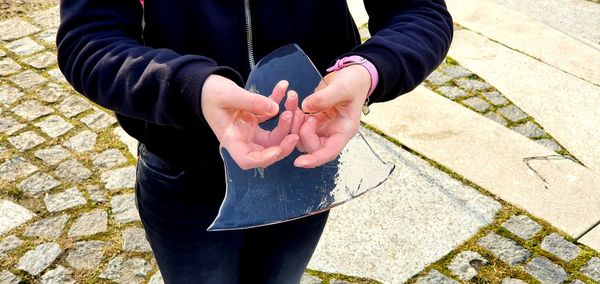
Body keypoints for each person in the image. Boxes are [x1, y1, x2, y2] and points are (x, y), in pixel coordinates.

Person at [57, 1, 453, 283]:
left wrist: (370, 70)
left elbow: (420, 11)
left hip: (306, 160)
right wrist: (191, 87)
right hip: (184, 169)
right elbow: (89, 41)